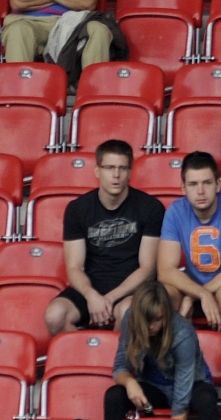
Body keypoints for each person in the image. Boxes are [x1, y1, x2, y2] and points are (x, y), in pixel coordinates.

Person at [46, 140, 162, 338]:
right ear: (97, 171)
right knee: (55, 315)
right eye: (109, 168)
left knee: (128, 314)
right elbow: (74, 267)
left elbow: (148, 269)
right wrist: (92, 296)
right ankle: (84, 363)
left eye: (122, 168)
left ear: (130, 172)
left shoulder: (150, 207)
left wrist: (109, 298)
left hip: (132, 288)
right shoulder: (77, 209)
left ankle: (114, 366)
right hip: (92, 285)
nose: (116, 175)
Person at [103, 281, 219, 420]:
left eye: (158, 319)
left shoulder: (182, 333)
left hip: (191, 385)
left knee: (207, 399)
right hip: (155, 387)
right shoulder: (130, 319)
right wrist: (129, 383)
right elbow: (120, 365)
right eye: (147, 320)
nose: (152, 326)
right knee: (114, 395)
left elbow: (182, 395)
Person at [156, 151, 221, 333]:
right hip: (194, 288)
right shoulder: (176, 211)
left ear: (218, 184)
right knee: (163, 294)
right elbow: (165, 271)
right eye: (193, 184)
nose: (200, 191)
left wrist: (195, 296)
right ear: (183, 188)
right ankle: (165, 360)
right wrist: (201, 294)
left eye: (207, 183)